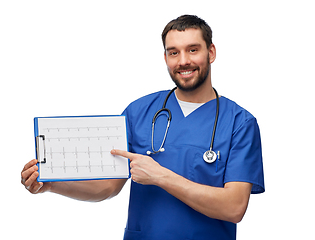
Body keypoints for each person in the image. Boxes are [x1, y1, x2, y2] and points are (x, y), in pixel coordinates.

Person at [21, 15, 265, 240]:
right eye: (173, 52)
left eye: (193, 50)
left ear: (211, 52)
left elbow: (234, 207)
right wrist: (52, 184)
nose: (183, 61)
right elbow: (107, 186)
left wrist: (160, 176)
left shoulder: (239, 123)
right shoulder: (139, 112)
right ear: (165, 57)